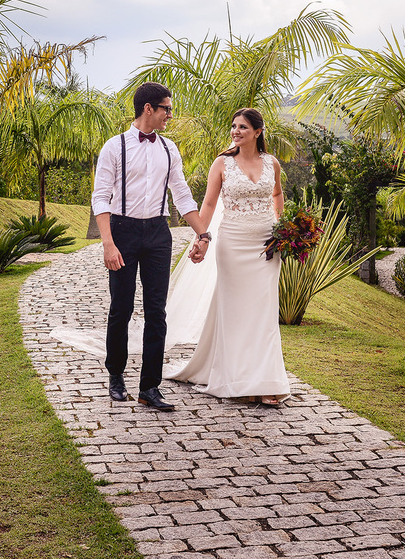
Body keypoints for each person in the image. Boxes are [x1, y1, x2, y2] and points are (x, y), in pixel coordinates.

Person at [91, 82, 212, 412]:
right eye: (166, 109)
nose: (170, 115)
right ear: (149, 109)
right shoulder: (114, 147)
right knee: (122, 308)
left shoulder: (170, 150)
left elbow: (183, 196)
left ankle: (149, 387)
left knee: (157, 312)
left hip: (158, 234)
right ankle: (116, 376)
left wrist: (204, 234)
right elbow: (100, 198)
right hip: (123, 230)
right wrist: (108, 243)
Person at [168, 107, 290, 407]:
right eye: (234, 126)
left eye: (243, 127)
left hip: (266, 246)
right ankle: (235, 378)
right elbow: (208, 204)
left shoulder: (271, 163)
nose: (236, 131)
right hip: (233, 244)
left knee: (263, 314)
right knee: (235, 311)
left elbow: (276, 194)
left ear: (258, 132)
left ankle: (265, 381)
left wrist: (283, 226)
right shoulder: (221, 163)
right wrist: (201, 237)